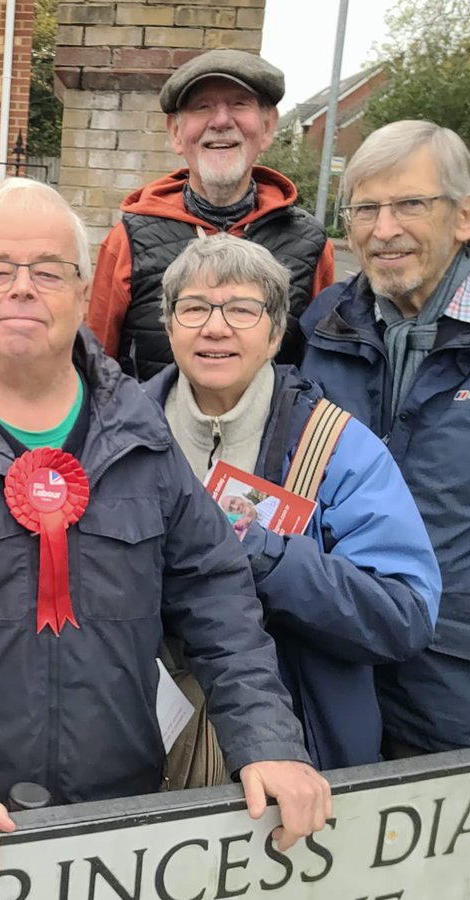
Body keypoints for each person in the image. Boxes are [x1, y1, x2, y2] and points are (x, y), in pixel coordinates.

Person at [0, 177, 331, 881]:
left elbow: (217, 597)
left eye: (48, 270)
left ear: (83, 295)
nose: (22, 287)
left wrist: (267, 739)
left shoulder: (140, 436)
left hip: (117, 824)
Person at [145, 234, 440, 770]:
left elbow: (404, 615)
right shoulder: (118, 434)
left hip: (296, 749)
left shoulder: (337, 447)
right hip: (135, 743)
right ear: (169, 326)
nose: (215, 327)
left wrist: (265, 555)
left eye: (241, 309)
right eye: (194, 308)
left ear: (277, 332)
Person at [301, 120, 470, 758]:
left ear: (463, 218)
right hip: (332, 652)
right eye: (365, 208)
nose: (384, 228)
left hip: (450, 672)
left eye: (409, 204)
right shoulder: (325, 323)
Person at [88, 49, 334, 380]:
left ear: (267, 126)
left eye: (239, 104)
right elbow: (96, 370)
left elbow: (323, 374)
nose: (220, 121)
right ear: (176, 132)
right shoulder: (128, 241)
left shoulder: (311, 245)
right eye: (202, 106)